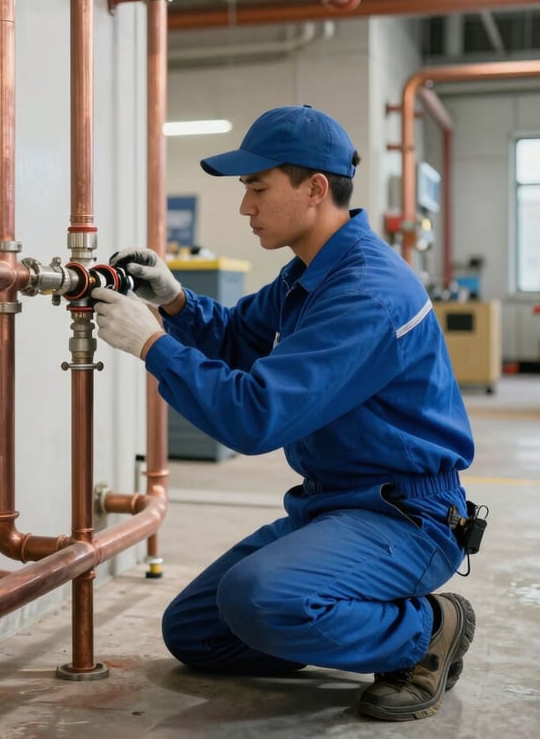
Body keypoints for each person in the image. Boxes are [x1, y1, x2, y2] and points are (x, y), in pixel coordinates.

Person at [90, 104, 478, 722]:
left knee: (261, 598)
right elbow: (241, 335)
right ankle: (314, 612)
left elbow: (257, 418)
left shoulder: (365, 292)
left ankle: (425, 630)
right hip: (334, 504)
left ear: (315, 188)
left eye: (257, 188)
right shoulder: (310, 273)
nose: (245, 207)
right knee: (196, 632)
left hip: (406, 515)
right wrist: (173, 299)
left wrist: (151, 344)